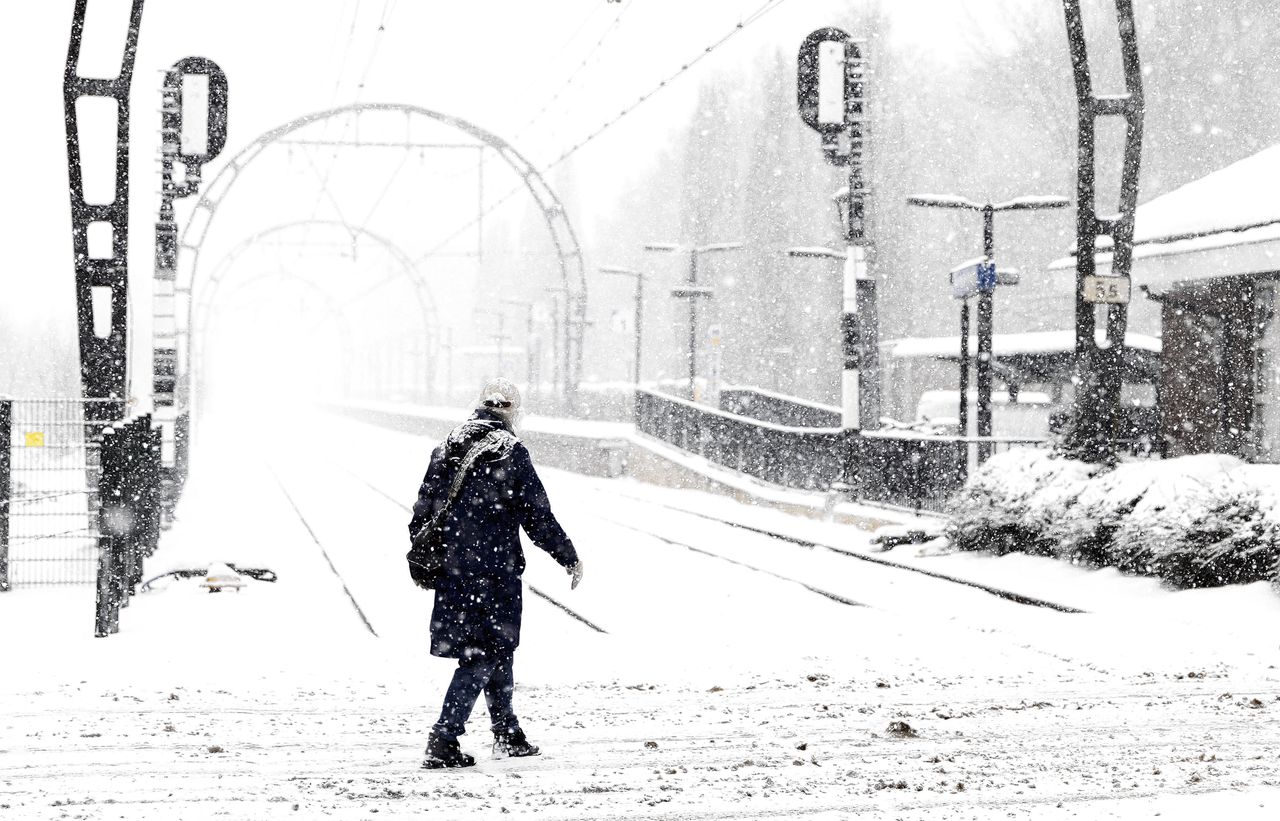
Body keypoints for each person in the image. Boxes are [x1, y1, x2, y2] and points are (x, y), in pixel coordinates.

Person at [409, 377, 584, 769]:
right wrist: (567, 555)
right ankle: (444, 738)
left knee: (495, 649)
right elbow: (537, 516)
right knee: (483, 654)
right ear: (512, 411)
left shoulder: (448, 446)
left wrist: (438, 557)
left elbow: (422, 511)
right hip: (494, 572)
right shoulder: (510, 452)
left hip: (455, 572)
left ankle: (507, 733)